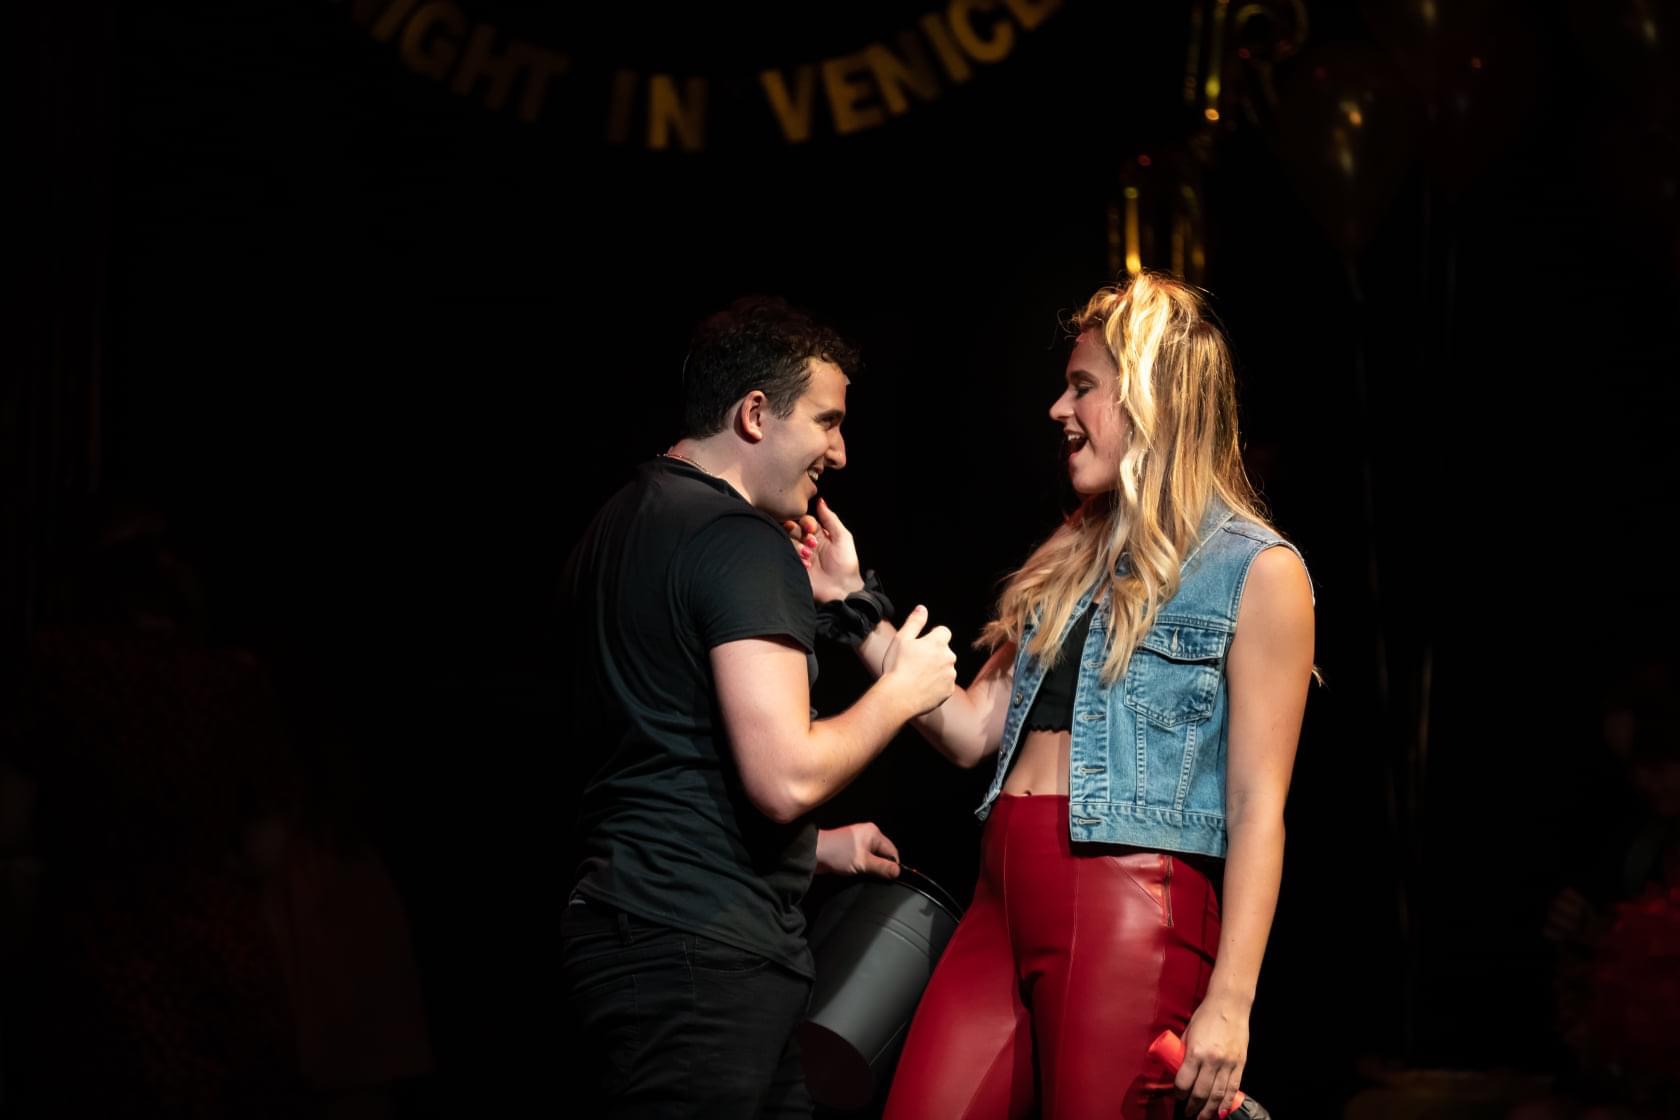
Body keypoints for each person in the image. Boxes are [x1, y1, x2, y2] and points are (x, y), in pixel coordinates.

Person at [802, 272, 1315, 1120]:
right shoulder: (1076, 550)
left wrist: (1232, 1002)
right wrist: (852, 603)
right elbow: (970, 729)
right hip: (1000, 897)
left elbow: (1260, 806)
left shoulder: (1257, 569)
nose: (1057, 409)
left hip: (1127, 907)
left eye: (1082, 387)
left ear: (1151, 396)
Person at [559, 295, 958, 1119]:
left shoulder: (615, 526)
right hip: (701, 952)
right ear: (753, 414)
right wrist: (901, 691)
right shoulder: (740, 541)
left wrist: (813, 851)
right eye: (826, 421)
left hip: (633, 931)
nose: (840, 452)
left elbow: (665, 756)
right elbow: (785, 778)